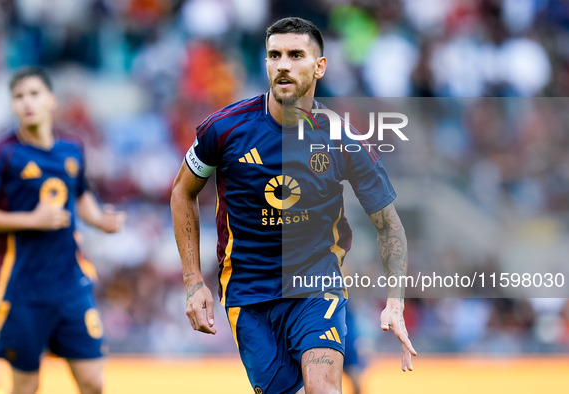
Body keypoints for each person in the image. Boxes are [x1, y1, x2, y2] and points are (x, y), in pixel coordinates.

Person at [171, 17, 416, 393]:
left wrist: (395, 302)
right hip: (248, 294)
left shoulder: (342, 139)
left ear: (320, 66)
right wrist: (192, 282)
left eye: (296, 55)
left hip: (316, 288)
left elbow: (389, 226)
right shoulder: (224, 129)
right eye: (275, 55)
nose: (283, 64)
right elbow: (182, 192)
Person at [0, 67, 126, 394]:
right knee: (26, 387)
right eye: (19, 96)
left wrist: (100, 220)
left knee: (93, 382)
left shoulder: (72, 149)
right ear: (11, 105)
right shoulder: (4, 154)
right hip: (23, 290)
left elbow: (80, 198)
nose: (27, 103)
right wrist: (30, 220)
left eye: (34, 94)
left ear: (51, 100)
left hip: (71, 285)